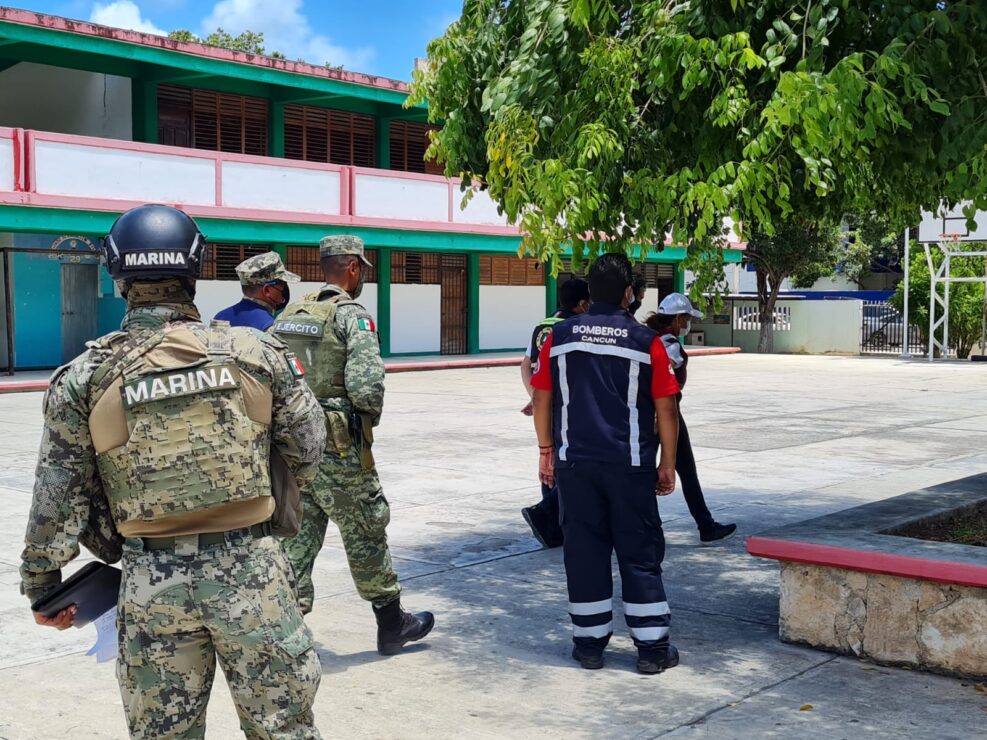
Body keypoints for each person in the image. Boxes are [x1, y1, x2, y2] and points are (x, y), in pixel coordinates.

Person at [20, 205, 326, 738]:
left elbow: (58, 495)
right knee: (285, 730)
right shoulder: (254, 351)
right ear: (193, 270)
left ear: (119, 277)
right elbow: (309, 447)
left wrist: (42, 584)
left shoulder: (85, 377)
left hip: (148, 584)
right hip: (253, 572)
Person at [274, 235, 434, 656]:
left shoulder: (289, 314)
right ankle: (391, 622)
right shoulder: (352, 316)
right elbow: (366, 387)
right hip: (339, 446)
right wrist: (363, 424)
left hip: (292, 446)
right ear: (350, 268)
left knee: (297, 535)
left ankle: (283, 631)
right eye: (361, 267)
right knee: (366, 528)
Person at [531, 252, 682, 675]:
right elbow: (665, 408)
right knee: (638, 552)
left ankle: (589, 646)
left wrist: (546, 451)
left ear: (588, 294)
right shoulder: (644, 342)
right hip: (630, 463)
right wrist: (666, 462)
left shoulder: (559, 336)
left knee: (584, 551)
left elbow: (542, 397)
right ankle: (652, 650)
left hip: (574, 464)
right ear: (629, 294)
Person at [647, 293, 737, 545]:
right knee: (685, 470)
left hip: (646, 412)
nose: (688, 324)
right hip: (666, 412)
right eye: (686, 318)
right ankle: (703, 525)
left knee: (642, 467)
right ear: (677, 319)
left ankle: (702, 524)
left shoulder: (647, 338)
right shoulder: (670, 346)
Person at [519, 277, 590, 548]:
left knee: (548, 460)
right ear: (583, 304)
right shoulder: (576, 328)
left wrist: (535, 399)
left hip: (544, 405)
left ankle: (553, 525)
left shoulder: (542, 325)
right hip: (568, 407)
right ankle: (546, 516)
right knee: (571, 463)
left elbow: (526, 365)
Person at [214, 251, 299, 330]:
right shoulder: (270, 326)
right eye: (282, 284)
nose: (284, 289)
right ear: (267, 291)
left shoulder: (220, 318)